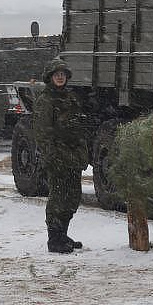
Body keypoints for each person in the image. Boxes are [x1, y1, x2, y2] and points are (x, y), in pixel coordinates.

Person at [31, 58, 91, 253]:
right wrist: (51, 155)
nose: (60, 77)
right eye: (56, 75)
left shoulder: (70, 98)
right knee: (58, 198)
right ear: (50, 77)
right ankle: (54, 238)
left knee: (72, 197)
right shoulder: (45, 100)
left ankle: (63, 234)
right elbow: (42, 133)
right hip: (57, 156)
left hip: (72, 156)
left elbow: (78, 127)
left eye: (63, 74)